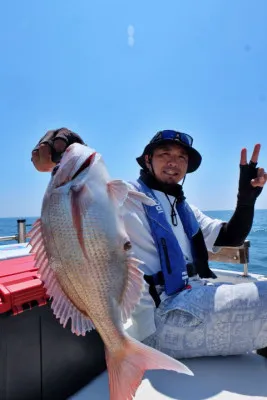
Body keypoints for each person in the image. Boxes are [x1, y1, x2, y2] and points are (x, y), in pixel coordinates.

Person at [31, 127, 267, 359]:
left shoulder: (185, 209)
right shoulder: (124, 195)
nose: (173, 162)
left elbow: (230, 237)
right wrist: (60, 146)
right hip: (161, 320)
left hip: (195, 298)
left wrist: (245, 200)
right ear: (147, 160)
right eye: (164, 154)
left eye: (181, 157)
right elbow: (81, 184)